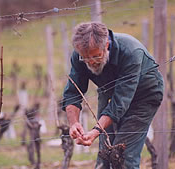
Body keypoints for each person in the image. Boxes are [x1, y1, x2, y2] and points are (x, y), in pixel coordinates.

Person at [62, 22, 163, 169]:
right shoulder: (80, 55)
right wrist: (74, 123)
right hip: (108, 92)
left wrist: (95, 131)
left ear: (107, 45)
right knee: (105, 156)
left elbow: (120, 102)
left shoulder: (131, 52)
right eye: (85, 58)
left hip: (144, 96)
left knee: (122, 155)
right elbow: (73, 92)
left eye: (96, 56)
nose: (90, 62)